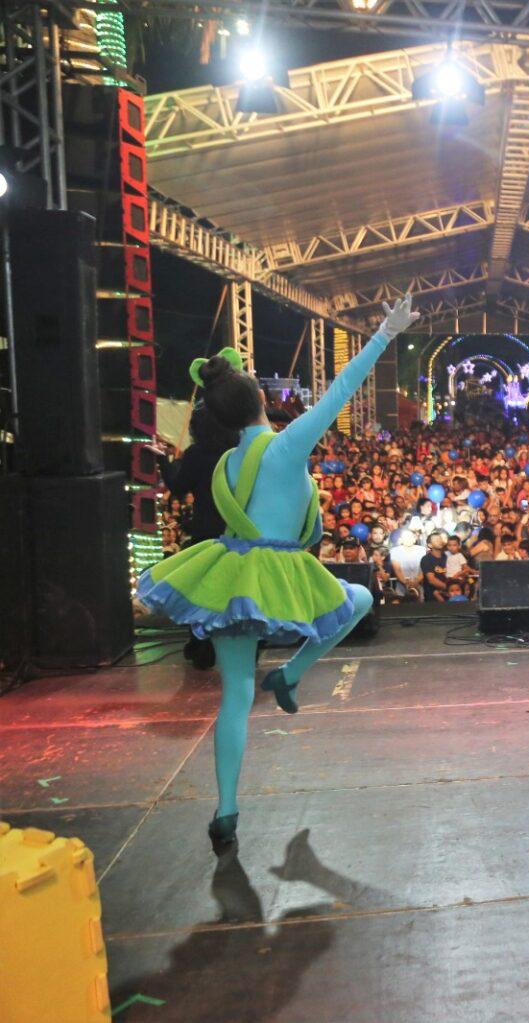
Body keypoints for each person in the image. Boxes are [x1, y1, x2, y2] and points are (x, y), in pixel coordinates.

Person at [137, 296, 419, 847]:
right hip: (275, 569)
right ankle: (290, 674)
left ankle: (225, 813)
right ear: (262, 398)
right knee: (357, 601)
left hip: (230, 575)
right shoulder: (286, 448)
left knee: (235, 696)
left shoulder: (226, 461)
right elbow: (342, 390)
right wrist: (386, 331)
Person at [160, 402, 240, 669]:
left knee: (200, 590)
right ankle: (245, 644)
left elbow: (178, 486)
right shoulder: (237, 452)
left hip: (205, 531)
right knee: (236, 588)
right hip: (236, 530)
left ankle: (201, 645)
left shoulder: (196, 454)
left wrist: (164, 461)